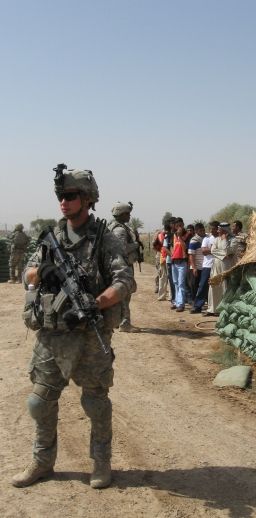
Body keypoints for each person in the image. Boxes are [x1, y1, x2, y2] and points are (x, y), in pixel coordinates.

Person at [12, 165, 134, 490]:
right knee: (39, 401)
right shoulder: (52, 237)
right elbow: (26, 275)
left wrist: (95, 304)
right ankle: (42, 462)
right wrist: (44, 272)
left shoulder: (104, 239)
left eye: (69, 196)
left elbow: (124, 282)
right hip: (52, 336)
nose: (63, 202)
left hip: (88, 334)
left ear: (87, 199)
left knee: (95, 402)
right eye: (60, 196)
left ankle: (101, 462)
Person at [108, 202, 142, 333]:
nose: (129, 216)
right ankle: (124, 323)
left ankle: (119, 320)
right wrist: (135, 245)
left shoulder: (115, 226)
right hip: (122, 266)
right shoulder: (120, 230)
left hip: (119, 266)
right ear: (121, 214)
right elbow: (122, 249)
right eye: (127, 213)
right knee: (124, 294)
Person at [206, 222, 237, 316]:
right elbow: (212, 251)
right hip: (216, 265)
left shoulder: (233, 240)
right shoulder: (216, 239)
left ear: (224, 230)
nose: (217, 231)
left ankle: (223, 309)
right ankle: (213, 309)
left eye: (219, 229)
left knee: (224, 286)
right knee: (214, 286)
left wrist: (224, 240)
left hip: (226, 266)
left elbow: (229, 251)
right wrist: (224, 254)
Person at [191, 221, 219, 314]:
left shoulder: (221, 239)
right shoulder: (207, 239)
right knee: (202, 286)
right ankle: (197, 306)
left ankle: (215, 307)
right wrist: (216, 250)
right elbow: (204, 251)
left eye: (212, 228)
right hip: (207, 265)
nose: (210, 230)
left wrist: (211, 250)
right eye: (210, 228)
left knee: (216, 287)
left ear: (217, 229)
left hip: (218, 265)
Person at [171, 217, 188, 312]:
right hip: (174, 261)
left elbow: (185, 247)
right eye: (177, 226)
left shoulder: (187, 234)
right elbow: (173, 248)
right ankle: (177, 302)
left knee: (181, 283)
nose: (179, 227)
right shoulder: (174, 235)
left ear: (183, 225)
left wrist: (180, 236)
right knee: (176, 283)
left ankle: (181, 304)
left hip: (182, 262)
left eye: (180, 225)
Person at [187, 222, 206, 308]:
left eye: (203, 230)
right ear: (196, 231)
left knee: (203, 286)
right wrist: (194, 267)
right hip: (196, 267)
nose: (203, 232)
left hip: (205, 267)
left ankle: (201, 303)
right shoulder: (194, 240)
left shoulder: (206, 238)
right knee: (194, 286)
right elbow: (191, 255)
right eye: (201, 230)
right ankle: (194, 302)